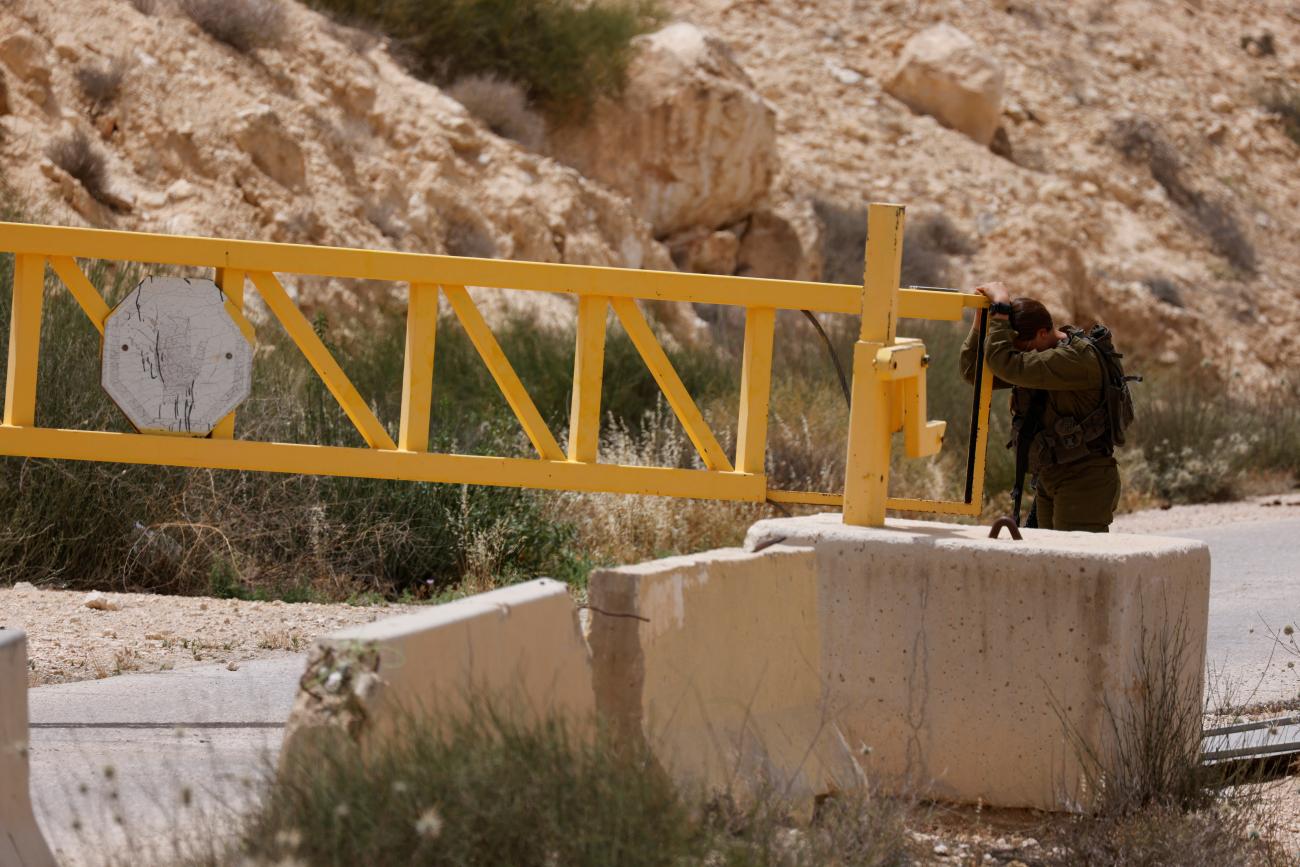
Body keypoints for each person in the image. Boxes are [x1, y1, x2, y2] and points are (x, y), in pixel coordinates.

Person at [959, 282, 1120, 532]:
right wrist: (982, 322)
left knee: (1076, 565)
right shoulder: (1038, 357)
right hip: (1050, 476)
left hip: (1084, 479)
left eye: (1023, 348)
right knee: (1052, 562)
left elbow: (1006, 364)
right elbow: (974, 373)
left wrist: (1001, 307)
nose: (1022, 354)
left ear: (1044, 333)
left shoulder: (1075, 359)